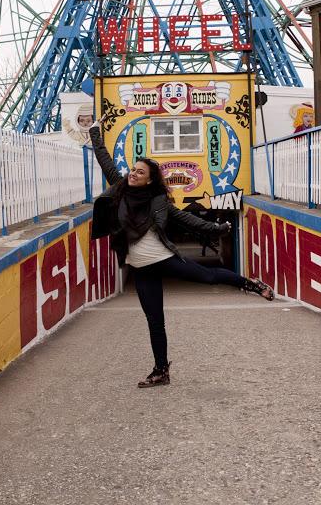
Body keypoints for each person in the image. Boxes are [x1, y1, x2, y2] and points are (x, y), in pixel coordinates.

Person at [89, 121, 274, 388]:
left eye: (140, 172)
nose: (133, 174)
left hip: (163, 259)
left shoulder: (159, 201)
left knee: (210, 277)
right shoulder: (120, 190)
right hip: (141, 269)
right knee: (155, 321)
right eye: (132, 169)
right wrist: (95, 131)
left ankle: (251, 284)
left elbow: (188, 220)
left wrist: (218, 228)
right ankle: (161, 371)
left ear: (150, 179)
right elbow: (104, 158)